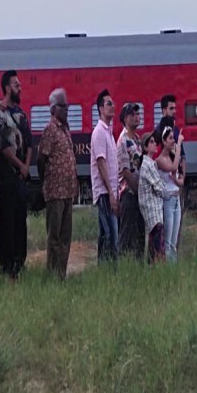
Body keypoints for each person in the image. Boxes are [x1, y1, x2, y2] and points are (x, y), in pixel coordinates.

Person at [0, 69, 32, 279]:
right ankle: (6, 268)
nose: (20, 88)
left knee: (20, 223)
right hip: (7, 180)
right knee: (7, 224)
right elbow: (4, 148)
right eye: (17, 85)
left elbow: (28, 143)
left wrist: (26, 167)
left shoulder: (21, 114)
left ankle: (20, 264)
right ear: (8, 88)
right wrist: (20, 165)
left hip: (20, 181)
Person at [37, 88, 78, 280]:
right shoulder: (50, 130)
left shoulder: (65, 129)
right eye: (63, 106)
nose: (66, 109)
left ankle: (61, 274)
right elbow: (41, 159)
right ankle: (53, 274)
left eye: (67, 106)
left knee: (65, 237)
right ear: (53, 108)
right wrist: (46, 182)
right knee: (54, 237)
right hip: (55, 192)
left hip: (68, 191)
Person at [90, 89, 119, 263]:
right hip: (104, 193)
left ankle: (104, 268)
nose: (112, 106)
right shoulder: (100, 132)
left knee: (105, 234)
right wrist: (111, 192)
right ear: (101, 108)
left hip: (110, 191)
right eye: (109, 104)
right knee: (111, 235)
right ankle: (110, 269)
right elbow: (101, 164)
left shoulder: (109, 132)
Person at [116, 102, 145, 259]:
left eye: (137, 114)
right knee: (127, 232)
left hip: (138, 192)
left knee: (139, 231)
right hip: (128, 192)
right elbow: (125, 171)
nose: (136, 117)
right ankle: (123, 263)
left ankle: (138, 263)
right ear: (125, 118)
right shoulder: (122, 141)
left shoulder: (137, 139)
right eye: (132, 115)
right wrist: (136, 189)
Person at [156, 125, 184, 262]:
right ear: (164, 141)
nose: (173, 141)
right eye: (171, 138)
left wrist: (177, 181)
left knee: (174, 241)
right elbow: (173, 168)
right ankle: (167, 266)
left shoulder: (173, 157)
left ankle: (173, 267)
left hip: (176, 198)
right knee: (167, 241)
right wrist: (179, 146)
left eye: (174, 138)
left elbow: (180, 179)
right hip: (167, 201)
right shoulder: (160, 160)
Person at [138, 132, 165, 264]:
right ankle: (155, 268)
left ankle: (152, 268)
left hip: (153, 211)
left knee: (154, 244)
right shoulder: (148, 165)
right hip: (153, 211)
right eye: (152, 142)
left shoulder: (149, 164)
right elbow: (159, 187)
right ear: (145, 147)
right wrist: (169, 193)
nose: (156, 144)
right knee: (157, 246)